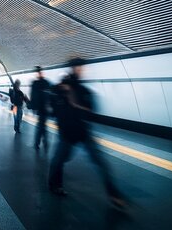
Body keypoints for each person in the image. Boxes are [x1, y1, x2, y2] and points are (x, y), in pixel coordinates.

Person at [48, 58, 127, 209]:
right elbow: (54, 108)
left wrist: (76, 105)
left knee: (100, 162)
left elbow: (91, 110)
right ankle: (54, 185)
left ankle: (114, 194)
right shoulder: (59, 90)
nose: (82, 70)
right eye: (79, 68)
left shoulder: (82, 90)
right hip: (67, 133)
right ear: (72, 69)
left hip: (83, 132)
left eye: (82, 67)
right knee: (58, 160)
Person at [30, 66, 51, 150]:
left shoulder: (35, 83)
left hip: (41, 108)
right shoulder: (46, 82)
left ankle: (39, 143)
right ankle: (42, 142)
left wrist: (33, 107)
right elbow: (48, 95)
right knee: (42, 125)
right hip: (43, 108)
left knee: (41, 125)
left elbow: (33, 95)